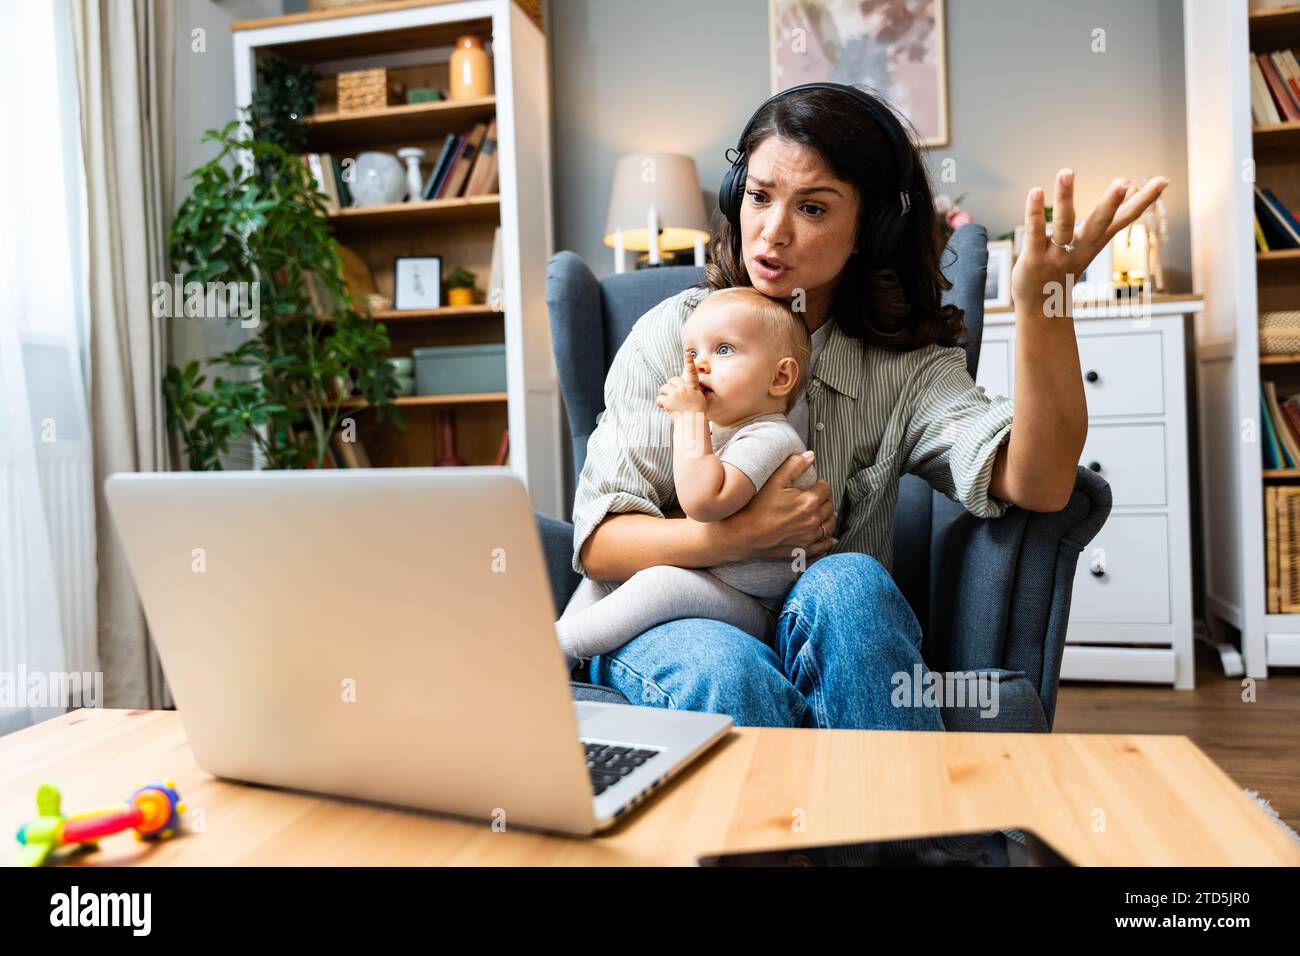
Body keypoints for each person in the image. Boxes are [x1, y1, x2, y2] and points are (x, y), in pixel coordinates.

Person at [570, 83, 1169, 729]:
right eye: (760, 196)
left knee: (850, 581)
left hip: (812, 618)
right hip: (664, 614)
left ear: (871, 227)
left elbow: (1042, 485)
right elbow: (601, 546)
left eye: (814, 209)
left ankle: (900, 826)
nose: (773, 232)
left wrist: (1043, 304)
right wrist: (735, 536)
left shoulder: (905, 365)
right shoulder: (671, 335)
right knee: (731, 670)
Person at [555, 286, 817, 663]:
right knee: (606, 577)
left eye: (723, 350)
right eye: (692, 353)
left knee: (659, 583)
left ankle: (561, 647)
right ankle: (559, 655)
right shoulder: (721, 433)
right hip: (714, 576)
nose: (699, 366)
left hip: (756, 606)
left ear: (780, 378)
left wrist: (688, 419)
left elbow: (703, 503)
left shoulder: (770, 435)